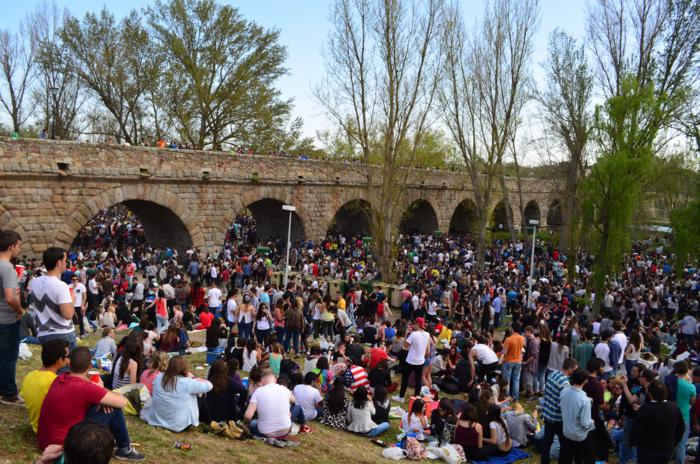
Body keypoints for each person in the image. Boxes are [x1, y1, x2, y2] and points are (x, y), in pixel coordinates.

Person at [37, 346, 144, 461]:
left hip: (45, 440)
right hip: (66, 444)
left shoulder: (60, 378)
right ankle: (124, 449)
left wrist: (102, 398)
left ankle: (119, 443)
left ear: (69, 364)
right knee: (114, 408)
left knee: (106, 403)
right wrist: (101, 389)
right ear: (89, 366)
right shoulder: (86, 388)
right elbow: (122, 402)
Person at [140, 355, 213, 432]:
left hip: (157, 418)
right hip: (178, 424)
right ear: (184, 368)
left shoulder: (159, 377)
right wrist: (193, 377)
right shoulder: (187, 382)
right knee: (200, 396)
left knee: (195, 393)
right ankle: (209, 422)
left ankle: (208, 422)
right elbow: (209, 385)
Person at [29, 247, 76, 349]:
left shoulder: (34, 282)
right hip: (62, 334)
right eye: (65, 260)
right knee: (65, 364)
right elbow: (68, 315)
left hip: (43, 333)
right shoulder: (60, 285)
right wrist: (72, 300)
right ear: (59, 263)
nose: (66, 263)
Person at [244, 368, 310, 437]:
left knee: (253, 423)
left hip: (264, 432)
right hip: (284, 431)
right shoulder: (284, 389)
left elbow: (247, 416)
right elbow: (294, 400)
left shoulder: (258, 392)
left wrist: (246, 424)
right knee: (297, 406)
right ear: (275, 378)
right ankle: (304, 426)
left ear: (262, 380)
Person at [21, 339, 69, 433]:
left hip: (37, 427)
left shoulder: (29, 376)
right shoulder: (57, 382)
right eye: (67, 356)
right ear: (60, 360)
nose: (68, 359)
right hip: (53, 431)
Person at [632, 380, 685, 464]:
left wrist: (634, 441)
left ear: (650, 393)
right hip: (666, 447)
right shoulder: (674, 408)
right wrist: (674, 442)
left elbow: (638, 428)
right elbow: (681, 428)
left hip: (647, 448)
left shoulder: (645, 409)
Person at [0, 230, 24, 405]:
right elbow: (10, 297)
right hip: (7, 320)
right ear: (11, 246)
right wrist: (20, 309)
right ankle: (9, 394)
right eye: (18, 246)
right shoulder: (7, 268)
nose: (19, 249)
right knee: (9, 357)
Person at [541, 357, 578, 464]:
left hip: (547, 413)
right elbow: (562, 405)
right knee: (565, 444)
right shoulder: (565, 383)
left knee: (547, 442)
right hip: (558, 418)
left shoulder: (552, 374)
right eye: (575, 369)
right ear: (570, 369)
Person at [559, 368, 595, 464]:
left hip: (567, 432)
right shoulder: (584, 401)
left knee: (566, 458)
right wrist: (592, 423)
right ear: (585, 381)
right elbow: (585, 423)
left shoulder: (564, 392)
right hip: (579, 435)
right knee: (587, 458)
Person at [394, 317, 430, 402]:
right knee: (418, 380)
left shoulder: (414, 334)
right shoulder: (427, 334)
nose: (413, 325)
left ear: (417, 324)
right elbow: (427, 351)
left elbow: (405, 346)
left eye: (414, 323)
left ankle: (401, 397)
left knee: (405, 378)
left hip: (410, 361)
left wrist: (406, 334)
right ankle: (416, 398)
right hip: (420, 361)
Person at [206, 358, 247, 423]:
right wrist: (240, 405)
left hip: (212, 416)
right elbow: (243, 391)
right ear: (225, 369)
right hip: (228, 416)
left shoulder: (208, 382)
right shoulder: (228, 381)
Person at [501, 322, 525, 400]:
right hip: (518, 361)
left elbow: (504, 352)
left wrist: (501, 358)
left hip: (509, 361)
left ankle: (506, 397)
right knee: (516, 380)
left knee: (507, 380)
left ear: (513, 329)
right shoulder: (522, 338)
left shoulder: (508, 339)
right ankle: (515, 398)